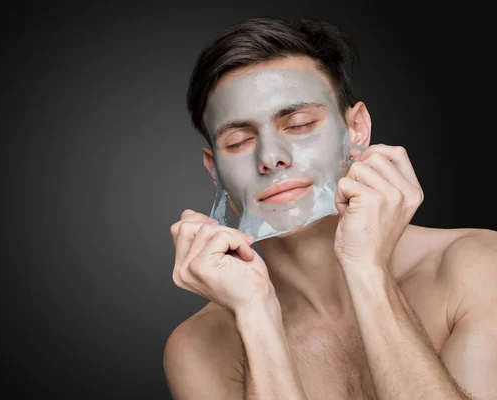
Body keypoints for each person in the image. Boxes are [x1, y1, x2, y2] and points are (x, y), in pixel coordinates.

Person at [163, 17, 496, 400]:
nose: (271, 157)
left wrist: (368, 271)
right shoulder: (197, 347)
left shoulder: (479, 265)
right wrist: (256, 317)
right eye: (238, 141)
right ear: (214, 168)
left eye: (300, 124)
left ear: (356, 129)